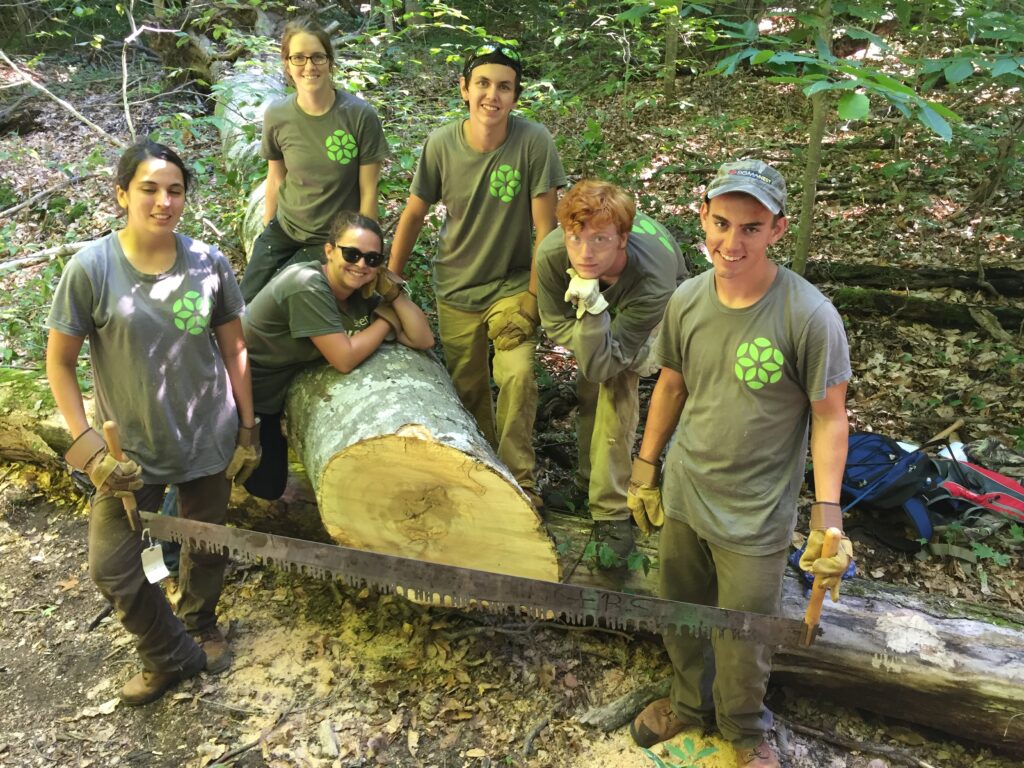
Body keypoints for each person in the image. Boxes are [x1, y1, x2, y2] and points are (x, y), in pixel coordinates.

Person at [626, 159, 853, 768]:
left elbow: (830, 416)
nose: (731, 243)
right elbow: (671, 385)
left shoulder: (808, 315)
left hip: (755, 514)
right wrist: (646, 470)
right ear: (702, 215)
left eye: (750, 228)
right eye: (721, 223)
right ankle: (688, 706)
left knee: (744, 636)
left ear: (777, 229)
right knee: (681, 614)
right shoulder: (688, 298)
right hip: (686, 492)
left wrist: (827, 515)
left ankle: (745, 732)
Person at [46, 140, 258, 706]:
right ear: (122, 194)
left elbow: (235, 349)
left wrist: (248, 428)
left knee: (205, 543)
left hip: (208, 432)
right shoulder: (91, 269)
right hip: (127, 453)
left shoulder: (209, 261)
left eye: (175, 190)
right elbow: (59, 364)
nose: (164, 201)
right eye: (149, 189)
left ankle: (198, 623)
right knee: (113, 566)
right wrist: (89, 449)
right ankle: (170, 653)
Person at [387, 41, 567, 509]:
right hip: (457, 287)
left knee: (519, 374)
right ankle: (487, 475)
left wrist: (533, 300)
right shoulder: (442, 144)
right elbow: (414, 212)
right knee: (468, 393)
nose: (493, 95)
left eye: (504, 87)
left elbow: (547, 231)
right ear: (464, 89)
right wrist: (389, 278)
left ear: (516, 95)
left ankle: (521, 481)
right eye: (483, 84)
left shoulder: (533, 142)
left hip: (511, 284)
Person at [535, 180, 688, 566]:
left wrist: (594, 309)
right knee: (593, 367)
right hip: (606, 303)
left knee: (616, 382)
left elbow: (606, 361)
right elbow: (554, 324)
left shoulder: (652, 279)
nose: (585, 253)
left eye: (601, 240)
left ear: (622, 239)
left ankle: (611, 510)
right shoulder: (553, 253)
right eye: (576, 238)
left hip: (662, 312)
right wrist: (590, 321)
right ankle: (588, 478)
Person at [242, 210, 434, 500]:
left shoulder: (360, 294)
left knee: (267, 486)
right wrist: (385, 322)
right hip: (234, 395)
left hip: (269, 398)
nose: (360, 265)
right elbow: (344, 359)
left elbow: (422, 338)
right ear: (329, 251)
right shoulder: (306, 285)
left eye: (372, 259)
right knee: (210, 478)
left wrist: (394, 294)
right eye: (352, 254)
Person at [239, 20, 389, 303]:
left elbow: (369, 190)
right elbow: (276, 178)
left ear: (330, 62)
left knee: (291, 299)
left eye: (318, 56)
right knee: (246, 303)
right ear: (287, 64)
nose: (309, 66)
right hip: (286, 229)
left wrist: (365, 251)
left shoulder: (359, 115)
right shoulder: (278, 115)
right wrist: (267, 231)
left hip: (334, 238)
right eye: (299, 57)